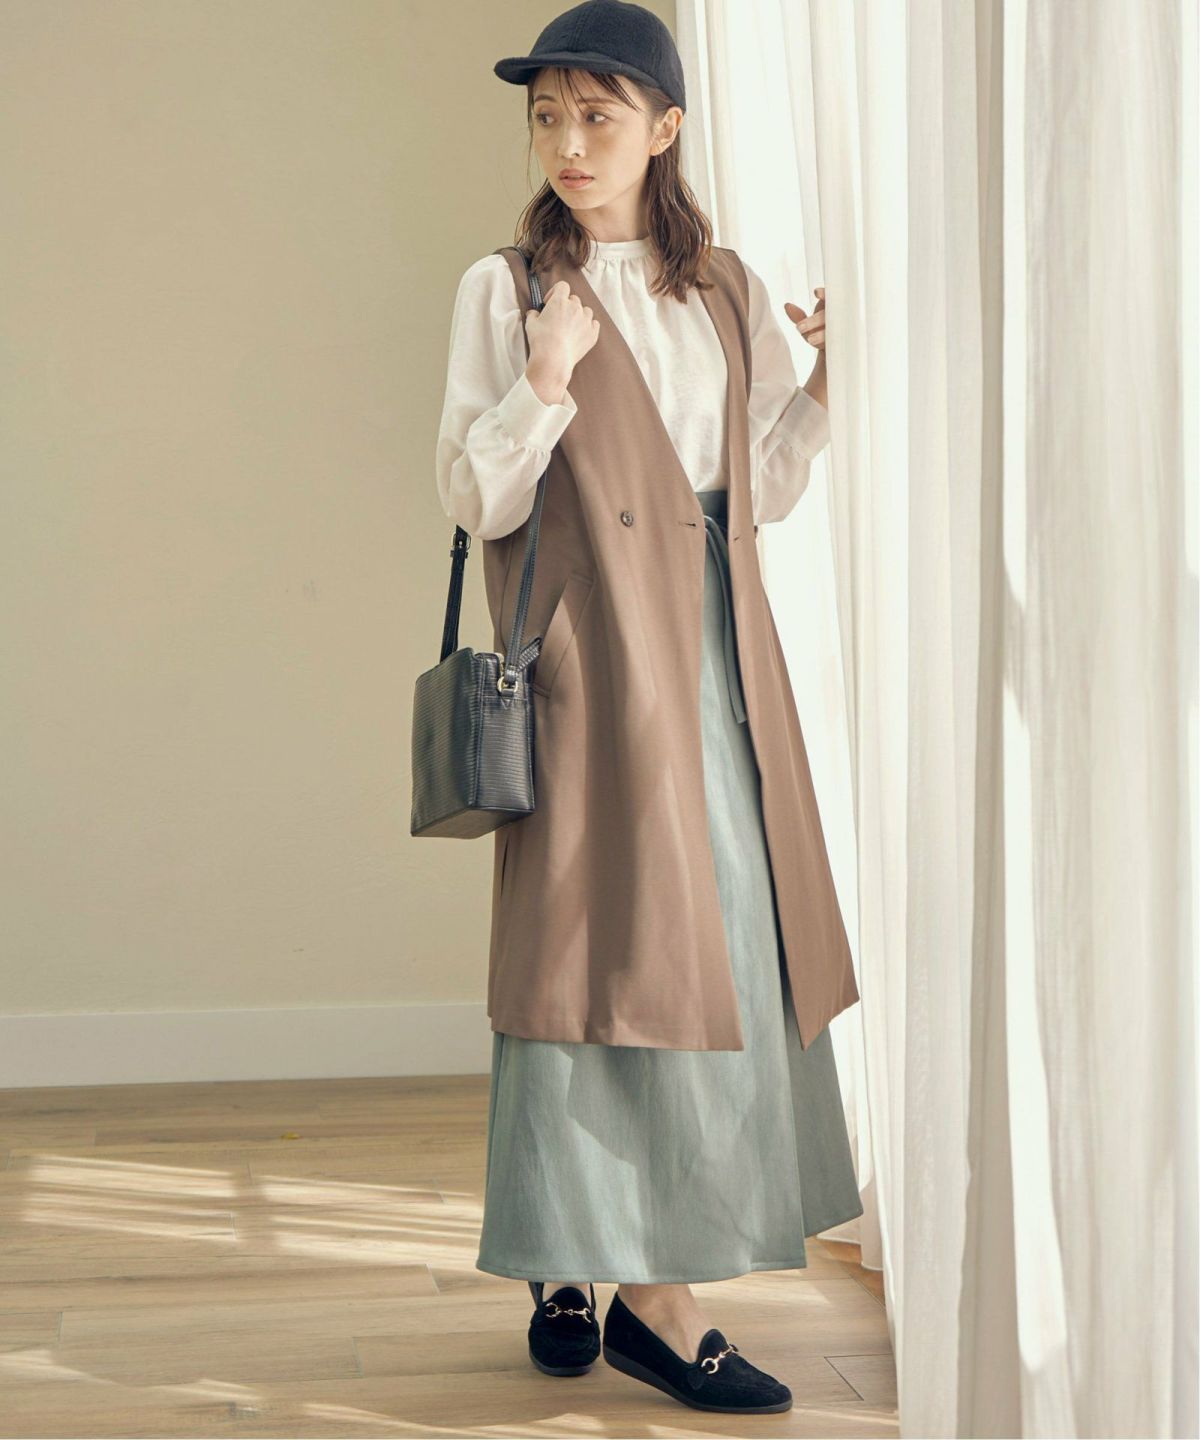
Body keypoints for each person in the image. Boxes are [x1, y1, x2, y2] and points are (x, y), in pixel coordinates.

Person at [434, 0, 862, 1416]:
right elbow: (475, 497)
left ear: (665, 127)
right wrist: (545, 384)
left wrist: (825, 383)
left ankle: (617, 1272)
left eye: (598, 116)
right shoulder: (507, 289)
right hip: (588, 654)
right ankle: (618, 1285)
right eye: (547, 117)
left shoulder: (724, 288)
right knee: (589, 949)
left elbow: (758, 488)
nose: (568, 143)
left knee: (722, 935)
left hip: (719, 648)